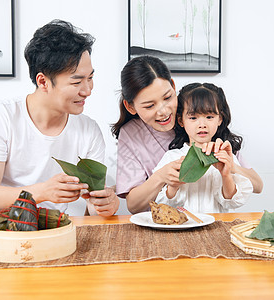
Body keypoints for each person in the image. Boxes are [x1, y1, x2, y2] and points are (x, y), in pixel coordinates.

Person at [0, 20, 119, 218]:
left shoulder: (89, 130)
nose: (88, 90)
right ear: (43, 81)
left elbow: (91, 204)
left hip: (50, 231)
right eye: (77, 81)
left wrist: (106, 204)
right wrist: (42, 192)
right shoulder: (1, 117)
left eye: (90, 78)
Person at [111, 56, 262, 214]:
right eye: (149, 106)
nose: (163, 112)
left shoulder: (202, 121)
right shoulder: (132, 134)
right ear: (130, 107)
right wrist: (161, 177)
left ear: (173, 86)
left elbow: (256, 186)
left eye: (168, 97)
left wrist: (230, 169)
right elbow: (134, 206)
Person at [153, 83, 253, 213]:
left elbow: (232, 201)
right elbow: (162, 203)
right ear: (181, 120)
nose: (202, 124)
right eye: (193, 117)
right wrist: (173, 185)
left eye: (209, 117)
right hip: (182, 228)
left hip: (216, 228)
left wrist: (226, 175)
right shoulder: (172, 157)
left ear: (220, 119)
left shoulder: (225, 156)